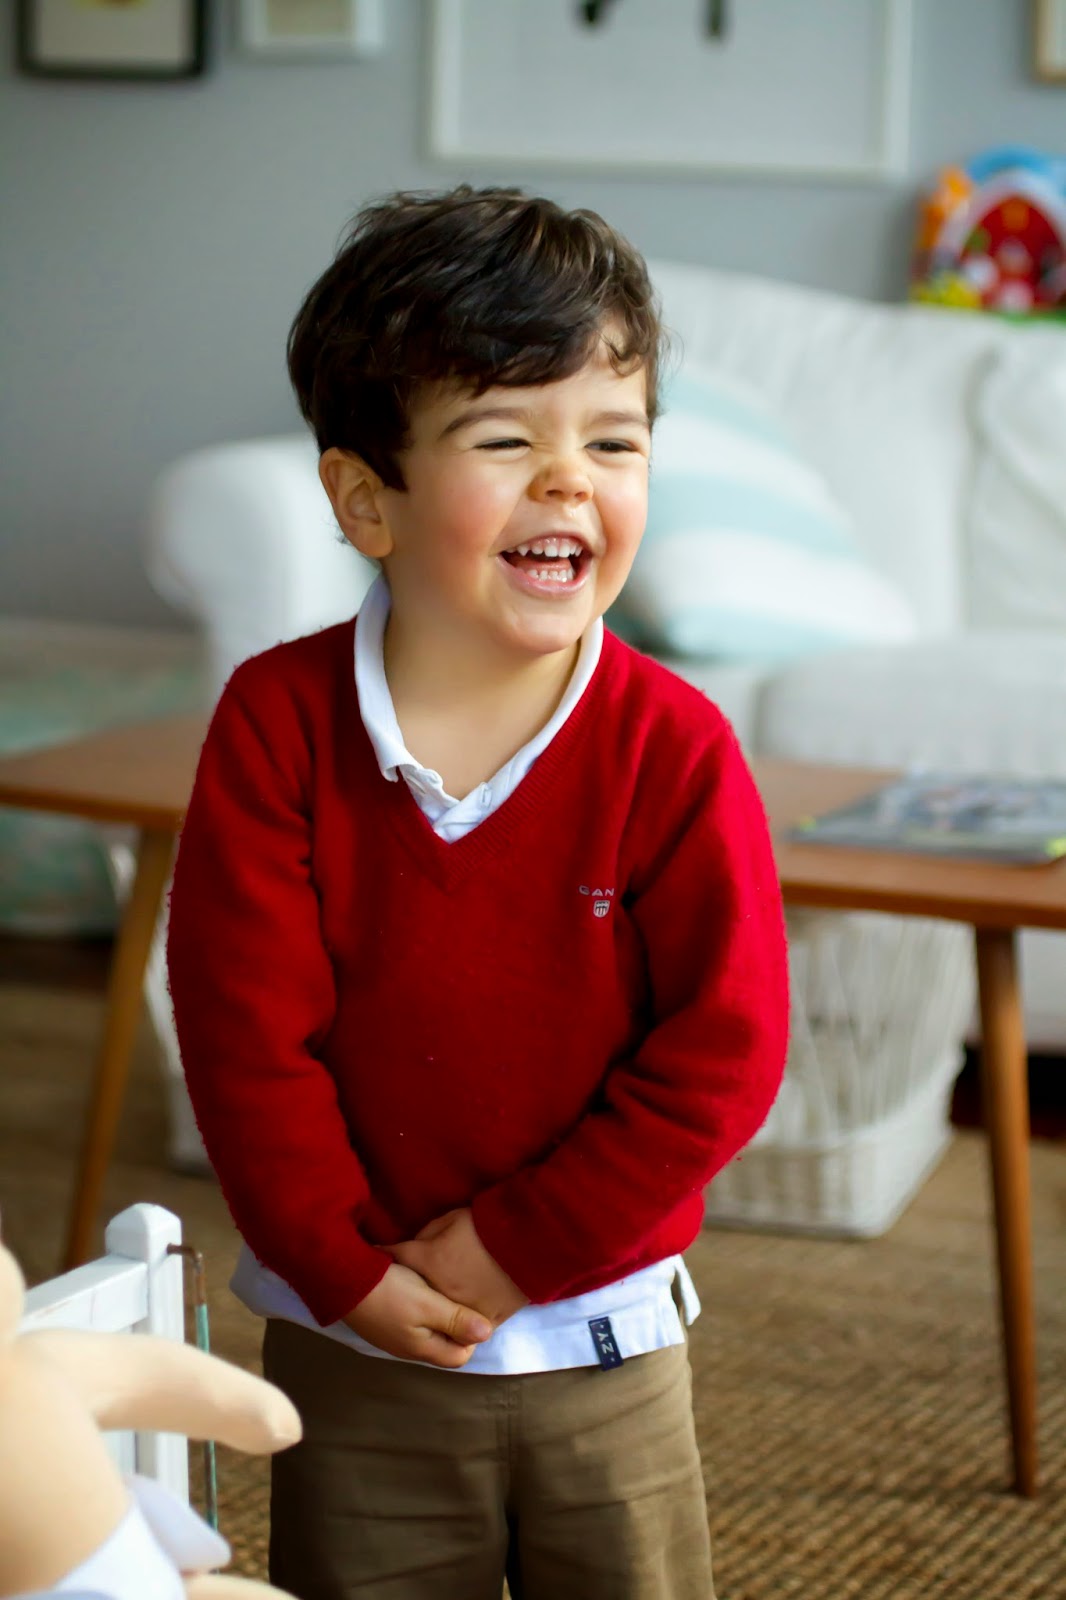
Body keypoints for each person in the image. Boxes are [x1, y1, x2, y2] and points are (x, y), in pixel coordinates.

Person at [167, 184, 790, 1600]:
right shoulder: (276, 726)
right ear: (363, 500)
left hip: (605, 1343)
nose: (569, 482)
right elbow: (243, 1037)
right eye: (507, 439)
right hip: (357, 1342)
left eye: (612, 442)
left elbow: (725, 1050)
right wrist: (340, 1267)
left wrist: (518, 1248)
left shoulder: (675, 746)